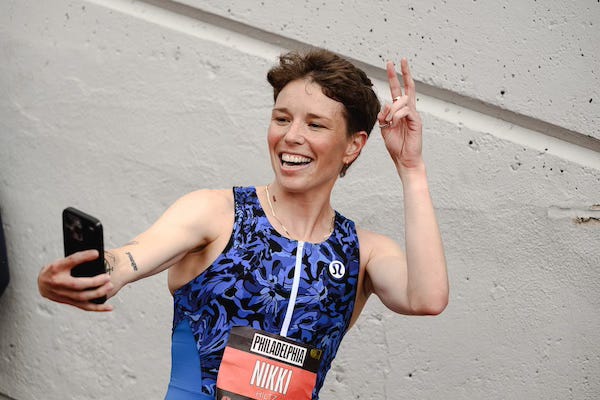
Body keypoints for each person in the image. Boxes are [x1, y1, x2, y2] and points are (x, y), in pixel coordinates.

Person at [38, 49, 448, 400]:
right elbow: (127, 259)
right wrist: (83, 274)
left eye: (315, 124)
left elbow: (427, 298)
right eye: (282, 119)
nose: (292, 136)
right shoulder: (215, 212)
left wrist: (411, 170)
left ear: (353, 145)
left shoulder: (363, 251)